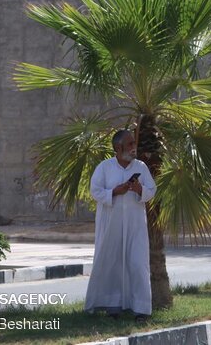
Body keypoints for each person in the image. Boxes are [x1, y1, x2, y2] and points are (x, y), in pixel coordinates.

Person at [84, 129, 156, 321]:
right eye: (130, 144)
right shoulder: (104, 167)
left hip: (135, 225)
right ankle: (112, 307)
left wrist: (139, 189)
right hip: (111, 224)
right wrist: (115, 191)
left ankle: (142, 309)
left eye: (134, 143)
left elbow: (152, 190)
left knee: (138, 263)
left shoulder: (140, 166)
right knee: (112, 262)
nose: (134, 147)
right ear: (118, 148)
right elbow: (95, 191)